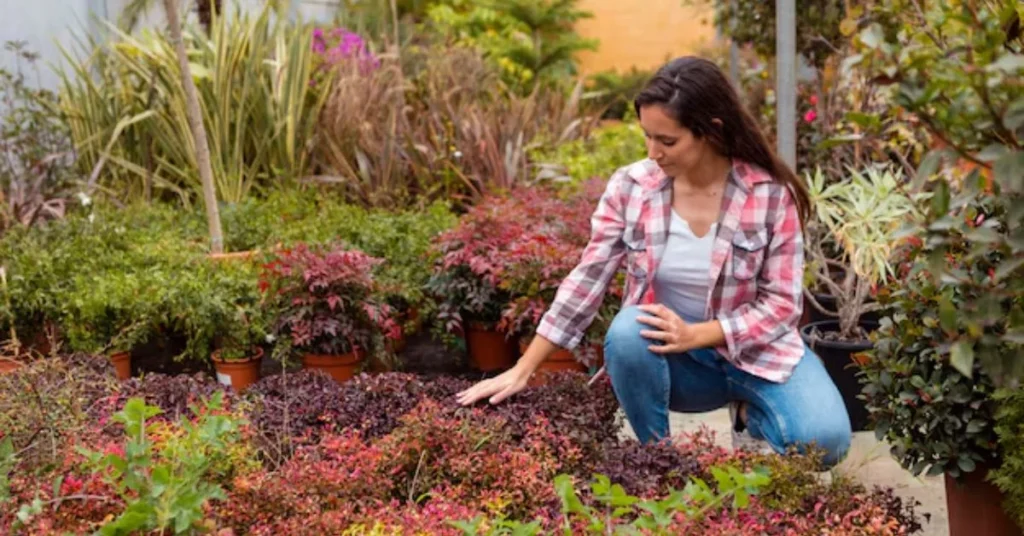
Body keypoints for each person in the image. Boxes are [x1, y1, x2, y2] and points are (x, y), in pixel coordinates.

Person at [456, 56, 851, 468]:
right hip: (676, 367)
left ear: (711, 131)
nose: (653, 152)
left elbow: (783, 306)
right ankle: (658, 462)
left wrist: (697, 334)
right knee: (628, 332)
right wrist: (524, 368)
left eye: (668, 141)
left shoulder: (769, 195)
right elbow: (588, 278)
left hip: (760, 356)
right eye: (648, 137)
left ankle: (752, 414)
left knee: (826, 442)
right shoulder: (632, 188)